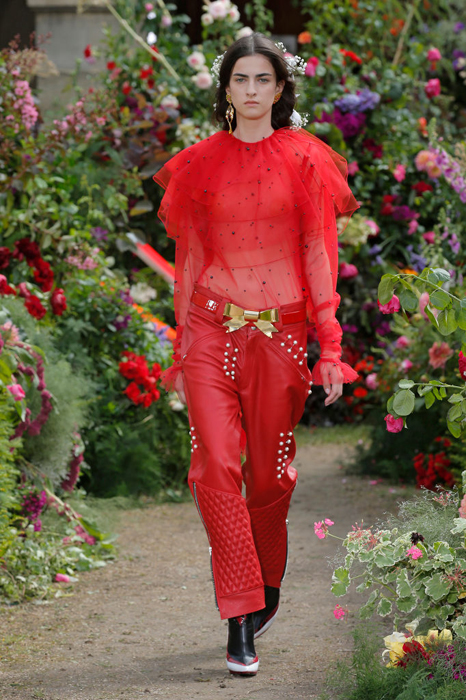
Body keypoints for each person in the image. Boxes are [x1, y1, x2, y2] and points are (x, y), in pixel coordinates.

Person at [153, 33, 359, 676]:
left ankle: (267, 578)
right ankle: (240, 614)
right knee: (215, 464)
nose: (250, 90)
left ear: (279, 88)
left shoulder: (306, 158)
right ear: (225, 88)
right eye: (239, 78)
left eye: (262, 79)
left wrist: (331, 347)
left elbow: (319, 254)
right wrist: (183, 345)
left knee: (268, 477)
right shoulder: (198, 163)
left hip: (282, 335)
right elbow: (189, 262)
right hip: (211, 329)